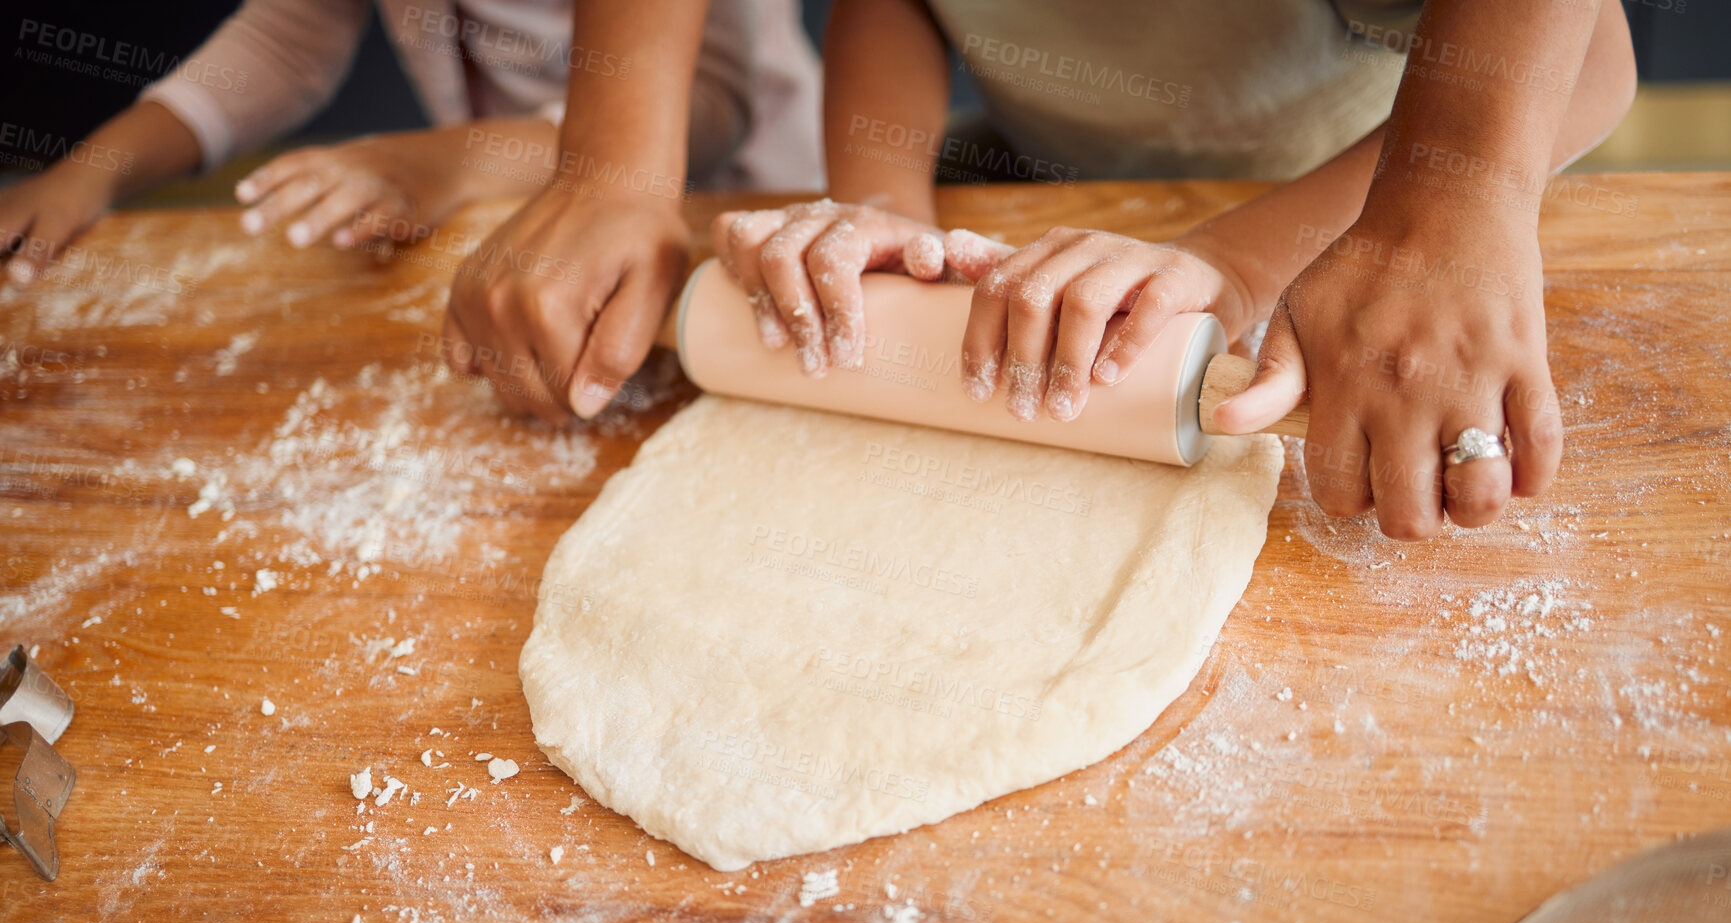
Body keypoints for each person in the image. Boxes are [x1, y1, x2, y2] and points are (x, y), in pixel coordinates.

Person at [712, 0, 1637, 540]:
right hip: (1033, 198)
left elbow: (1594, 59)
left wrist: (1237, 264)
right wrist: (887, 211)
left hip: (1350, 211)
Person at [0, 0, 822, 419]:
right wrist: (92, 170)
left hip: (744, 224)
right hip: (514, 228)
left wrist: (442, 161)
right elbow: (288, 37)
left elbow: (707, 109)